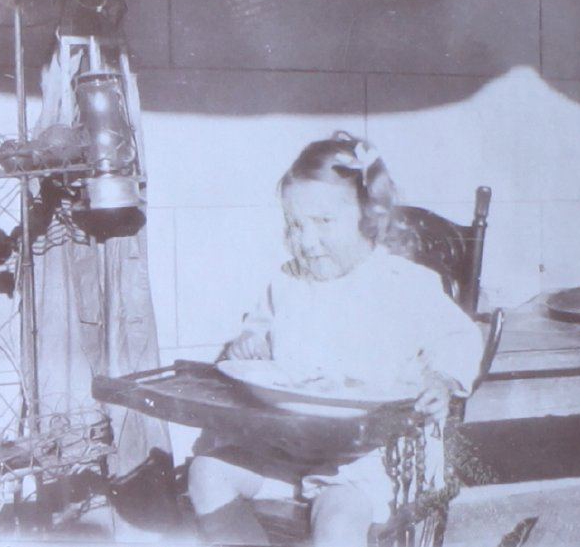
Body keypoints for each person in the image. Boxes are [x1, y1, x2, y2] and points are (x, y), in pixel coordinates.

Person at [187, 132, 484, 547]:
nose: (306, 242)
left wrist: (443, 380)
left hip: (370, 459)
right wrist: (250, 342)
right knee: (207, 472)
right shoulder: (288, 282)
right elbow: (258, 327)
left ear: (368, 216)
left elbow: (460, 336)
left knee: (339, 521)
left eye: (324, 222)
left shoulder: (403, 284)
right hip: (290, 445)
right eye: (295, 225)